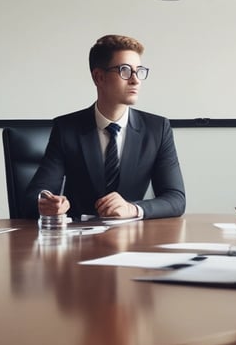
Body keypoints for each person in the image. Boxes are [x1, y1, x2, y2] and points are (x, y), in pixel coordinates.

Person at [22, 34, 185, 220]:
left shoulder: (157, 129)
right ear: (99, 77)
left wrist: (132, 209)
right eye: (125, 70)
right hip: (80, 240)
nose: (135, 80)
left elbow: (176, 199)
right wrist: (49, 204)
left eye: (138, 71)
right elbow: (35, 196)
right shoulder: (67, 129)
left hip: (133, 239)